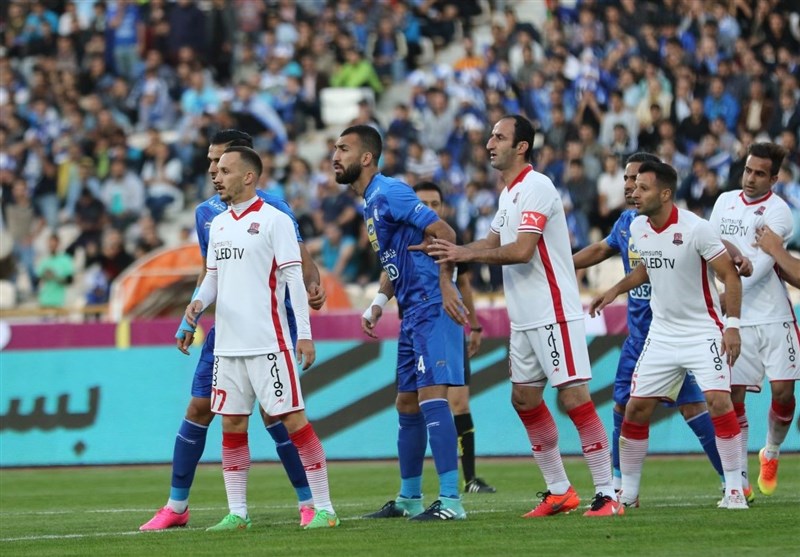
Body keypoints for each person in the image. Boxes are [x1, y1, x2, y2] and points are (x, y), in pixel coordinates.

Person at [427, 115, 622, 517]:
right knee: (524, 398)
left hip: (553, 311)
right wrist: (449, 251)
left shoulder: (538, 187)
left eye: (499, 137)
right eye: (490, 137)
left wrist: (464, 254)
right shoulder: (508, 195)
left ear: (521, 147)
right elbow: (490, 242)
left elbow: (521, 250)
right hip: (524, 318)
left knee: (573, 397)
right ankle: (559, 491)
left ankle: (608, 494)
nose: (489, 144)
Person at [140, 130, 325, 531]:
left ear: (245, 167)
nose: (213, 170)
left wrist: (310, 292)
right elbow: (212, 271)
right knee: (203, 409)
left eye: (220, 162)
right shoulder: (209, 215)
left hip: (268, 325)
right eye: (210, 162)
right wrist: (191, 316)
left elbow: (297, 260)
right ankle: (180, 505)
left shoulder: (274, 210)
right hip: (225, 330)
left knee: (278, 416)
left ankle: (311, 502)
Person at [185, 145, 338, 530]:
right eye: (216, 170)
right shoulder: (218, 225)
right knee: (232, 425)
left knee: (294, 421)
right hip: (228, 347)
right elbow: (213, 277)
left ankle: (325, 509)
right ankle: (238, 513)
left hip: (270, 343)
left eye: (225, 170)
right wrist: (198, 303)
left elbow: (293, 280)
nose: (217, 176)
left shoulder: (275, 220)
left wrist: (304, 335)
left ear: (249, 176)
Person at [590, 161, 747, 509]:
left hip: (702, 331)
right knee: (635, 409)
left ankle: (735, 490)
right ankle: (628, 494)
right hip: (661, 334)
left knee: (718, 402)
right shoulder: (639, 227)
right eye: (634, 186)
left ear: (665, 194)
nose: (634, 192)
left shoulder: (697, 229)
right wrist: (615, 289)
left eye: (642, 187)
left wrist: (732, 326)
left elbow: (730, 276)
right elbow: (648, 265)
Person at [335, 125, 468, 521]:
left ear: (366, 158)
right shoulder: (370, 202)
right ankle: (410, 497)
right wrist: (378, 303)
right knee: (406, 403)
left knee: (432, 399)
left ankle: (451, 501)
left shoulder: (390, 191)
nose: (335, 156)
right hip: (411, 311)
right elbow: (398, 260)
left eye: (343, 149)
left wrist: (446, 284)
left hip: (432, 306)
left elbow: (445, 232)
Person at [708, 142, 798, 499]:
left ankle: (770, 452)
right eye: (748, 170)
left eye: (760, 174)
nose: (751, 178)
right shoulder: (724, 202)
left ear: (773, 179)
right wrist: (717, 293)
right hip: (738, 318)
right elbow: (709, 248)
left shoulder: (779, 212)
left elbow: (760, 268)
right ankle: (740, 479)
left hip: (774, 315)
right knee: (733, 395)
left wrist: (725, 293)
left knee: (784, 394)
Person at [413, 181, 495, 494]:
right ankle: (416, 485)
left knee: (458, 402)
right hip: (418, 331)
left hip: (450, 328)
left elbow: (465, 285)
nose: (430, 209)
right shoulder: (403, 237)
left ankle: (469, 478)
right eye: (423, 203)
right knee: (415, 405)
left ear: (443, 207)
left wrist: (474, 326)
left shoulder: (451, 238)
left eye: (435, 204)